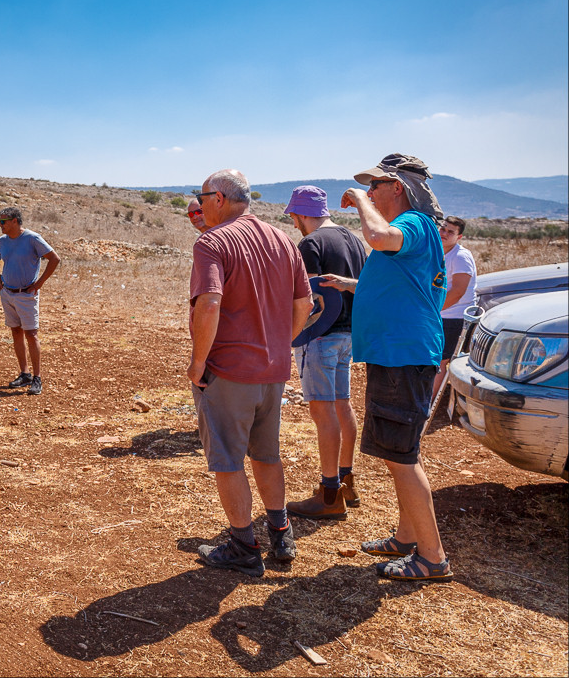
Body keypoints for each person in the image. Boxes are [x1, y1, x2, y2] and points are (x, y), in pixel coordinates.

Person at [319, 153, 452, 582]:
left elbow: (377, 236)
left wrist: (359, 201)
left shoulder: (411, 224)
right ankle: (406, 538)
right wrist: (350, 284)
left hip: (402, 356)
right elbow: (403, 285)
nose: (370, 191)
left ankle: (432, 558)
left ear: (398, 187)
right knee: (402, 454)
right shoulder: (419, 233)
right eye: (367, 187)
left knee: (401, 458)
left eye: (376, 185)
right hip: (401, 353)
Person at [188, 170, 312, 577]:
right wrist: (279, 344)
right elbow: (304, 305)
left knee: (227, 460)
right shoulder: (282, 239)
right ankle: (280, 533)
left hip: (229, 369)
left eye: (202, 196)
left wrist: (199, 361)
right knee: (266, 453)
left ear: (219, 198)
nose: (200, 204)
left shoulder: (212, 242)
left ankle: (243, 546)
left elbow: (208, 304)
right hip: (272, 370)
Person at [281, 186, 368, 520]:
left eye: (294, 216)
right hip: (349, 333)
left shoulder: (311, 244)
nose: (294, 224)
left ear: (303, 213)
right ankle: (347, 480)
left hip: (320, 336)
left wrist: (292, 336)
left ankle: (328, 493)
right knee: (342, 405)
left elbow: (311, 299)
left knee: (322, 412)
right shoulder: (354, 239)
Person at [0, 206, 60, 396]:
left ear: (15, 221)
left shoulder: (32, 238)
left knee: (31, 334)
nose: (0, 224)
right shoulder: (2, 241)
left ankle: (37, 378)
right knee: (16, 332)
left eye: (3, 221)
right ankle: (24, 374)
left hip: (26, 295)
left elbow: (54, 259)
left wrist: (39, 284)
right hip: (8, 293)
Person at [434, 216, 476, 402]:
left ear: (459, 237)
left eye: (450, 232)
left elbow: (458, 291)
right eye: (443, 229)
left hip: (453, 318)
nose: (444, 233)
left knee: (440, 361)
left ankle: (430, 402)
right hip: (441, 315)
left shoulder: (460, 257)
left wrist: (432, 310)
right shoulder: (437, 252)